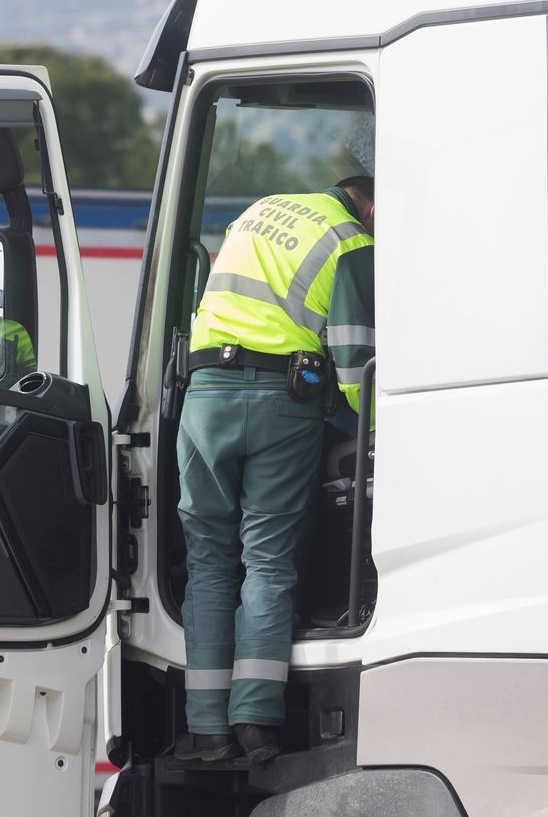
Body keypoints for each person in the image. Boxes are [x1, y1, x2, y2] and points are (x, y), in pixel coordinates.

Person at [175, 176, 375, 764]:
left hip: (204, 394)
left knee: (209, 560)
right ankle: (257, 723)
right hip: (281, 401)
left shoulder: (257, 211)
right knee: (267, 559)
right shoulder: (350, 238)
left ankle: (207, 729)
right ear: (370, 202)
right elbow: (355, 358)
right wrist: (378, 422)